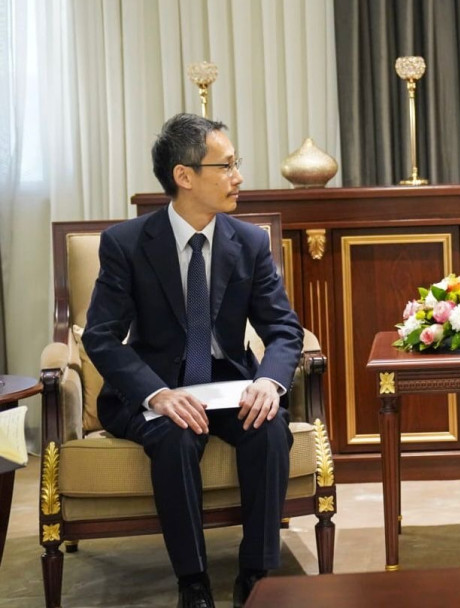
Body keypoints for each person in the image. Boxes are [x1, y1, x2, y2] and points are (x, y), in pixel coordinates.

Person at [83, 113, 303, 608]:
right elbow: (100, 336)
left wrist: (269, 382)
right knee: (175, 436)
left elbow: (283, 329)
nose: (238, 177)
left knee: (268, 427)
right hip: (156, 386)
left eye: (237, 164)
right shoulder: (127, 243)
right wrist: (157, 394)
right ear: (184, 175)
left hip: (227, 381)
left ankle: (256, 576)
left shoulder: (249, 242)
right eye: (226, 166)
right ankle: (194, 583)